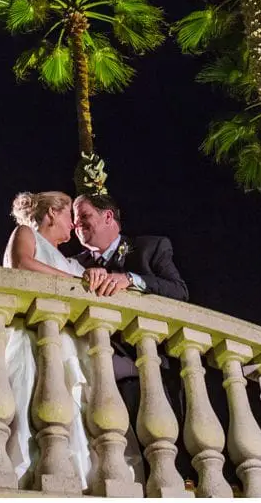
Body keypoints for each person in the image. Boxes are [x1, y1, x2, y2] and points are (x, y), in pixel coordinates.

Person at [0, 190, 143, 491]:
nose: (74, 226)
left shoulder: (71, 262)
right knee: (19, 408)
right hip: (26, 338)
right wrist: (73, 284)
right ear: (51, 213)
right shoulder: (26, 233)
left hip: (63, 345)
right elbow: (20, 265)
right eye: (68, 216)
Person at [71, 193, 192, 478]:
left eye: (84, 217)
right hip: (93, 372)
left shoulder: (150, 247)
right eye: (74, 223)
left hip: (146, 370)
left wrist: (131, 280)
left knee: (160, 462)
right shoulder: (73, 263)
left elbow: (180, 292)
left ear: (108, 217)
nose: (78, 226)